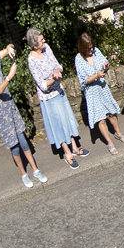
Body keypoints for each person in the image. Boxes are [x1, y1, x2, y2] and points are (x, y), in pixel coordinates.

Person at [0, 41, 47, 188]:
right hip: (1, 115)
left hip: (11, 108)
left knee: (23, 141)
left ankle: (36, 170)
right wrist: (9, 76)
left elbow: (7, 48)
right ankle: (23, 174)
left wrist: (10, 49)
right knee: (14, 147)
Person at [25, 28, 88, 167]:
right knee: (59, 125)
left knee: (67, 120)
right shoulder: (32, 60)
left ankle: (75, 148)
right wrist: (53, 78)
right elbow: (42, 85)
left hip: (59, 91)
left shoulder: (46, 48)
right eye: (41, 40)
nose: (44, 41)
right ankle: (67, 153)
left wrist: (57, 71)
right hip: (49, 98)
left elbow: (58, 65)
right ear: (35, 45)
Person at [74, 33, 124, 154]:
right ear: (82, 48)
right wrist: (96, 76)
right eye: (89, 48)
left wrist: (106, 66)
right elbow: (83, 81)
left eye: (92, 46)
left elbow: (104, 62)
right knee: (101, 119)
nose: (91, 50)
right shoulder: (78, 59)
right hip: (92, 92)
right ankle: (109, 143)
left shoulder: (96, 51)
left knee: (112, 113)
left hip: (103, 88)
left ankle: (118, 133)